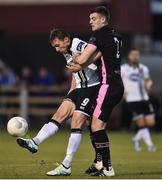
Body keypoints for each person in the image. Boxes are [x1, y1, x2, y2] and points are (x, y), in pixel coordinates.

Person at [16, 28, 102, 176]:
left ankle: (66, 165)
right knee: (59, 113)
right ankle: (34, 142)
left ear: (66, 40)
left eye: (57, 45)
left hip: (92, 88)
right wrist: (70, 95)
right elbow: (77, 76)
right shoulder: (66, 52)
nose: (56, 49)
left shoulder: (76, 44)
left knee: (77, 122)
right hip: (80, 88)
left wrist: (82, 64)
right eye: (54, 47)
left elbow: (97, 53)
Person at [70, 6, 124, 176]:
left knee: (96, 126)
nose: (90, 21)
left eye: (93, 18)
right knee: (93, 125)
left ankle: (107, 167)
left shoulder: (99, 36)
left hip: (108, 85)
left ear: (102, 19)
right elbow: (94, 59)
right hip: (116, 85)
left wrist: (75, 56)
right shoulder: (115, 35)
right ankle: (99, 162)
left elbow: (84, 58)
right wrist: (82, 63)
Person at [121, 48, 156, 152]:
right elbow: (118, 81)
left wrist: (149, 84)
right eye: (133, 55)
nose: (135, 57)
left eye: (136, 55)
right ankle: (150, 145)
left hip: (144, 98)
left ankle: (136, 138)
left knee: (151, 123)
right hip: (132, 99)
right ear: (129, 56)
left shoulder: (143, 68)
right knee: (141, 124)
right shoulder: (124, 68)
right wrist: (123, 92)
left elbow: (147, 80)